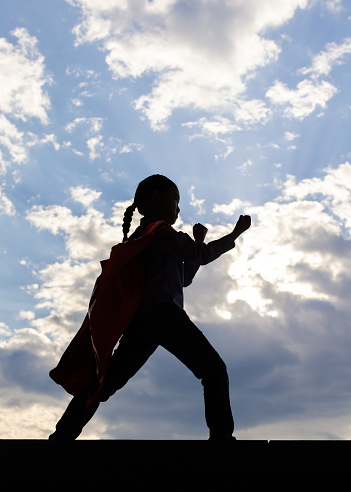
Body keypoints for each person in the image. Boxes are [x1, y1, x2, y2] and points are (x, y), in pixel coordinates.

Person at [49, 174, 251, 441]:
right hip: (164, 315)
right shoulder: (160, 232)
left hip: (142, 322)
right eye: (175, 200)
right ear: (156, 198)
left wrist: (198, 242)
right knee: (213, 369)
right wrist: (234, 234)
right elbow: (198, 256)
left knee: (105, 385)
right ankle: (222, 437)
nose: (178, 209)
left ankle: (61, 436)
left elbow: (185, 278)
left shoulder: (143, 236)